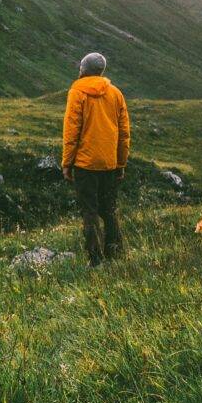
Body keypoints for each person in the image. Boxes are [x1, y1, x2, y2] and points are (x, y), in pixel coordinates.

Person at [62, 51, 130, 267]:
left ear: (83, 69)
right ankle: (115, 255)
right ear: (101, 71)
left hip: (85, 164)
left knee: (89, 211)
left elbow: (72, 131)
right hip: (109, 163)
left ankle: (95, 259)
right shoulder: (116, 94)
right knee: (108, 209)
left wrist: (67, 162)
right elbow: (124, 133)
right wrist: (121, 163)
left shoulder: (77, 93)